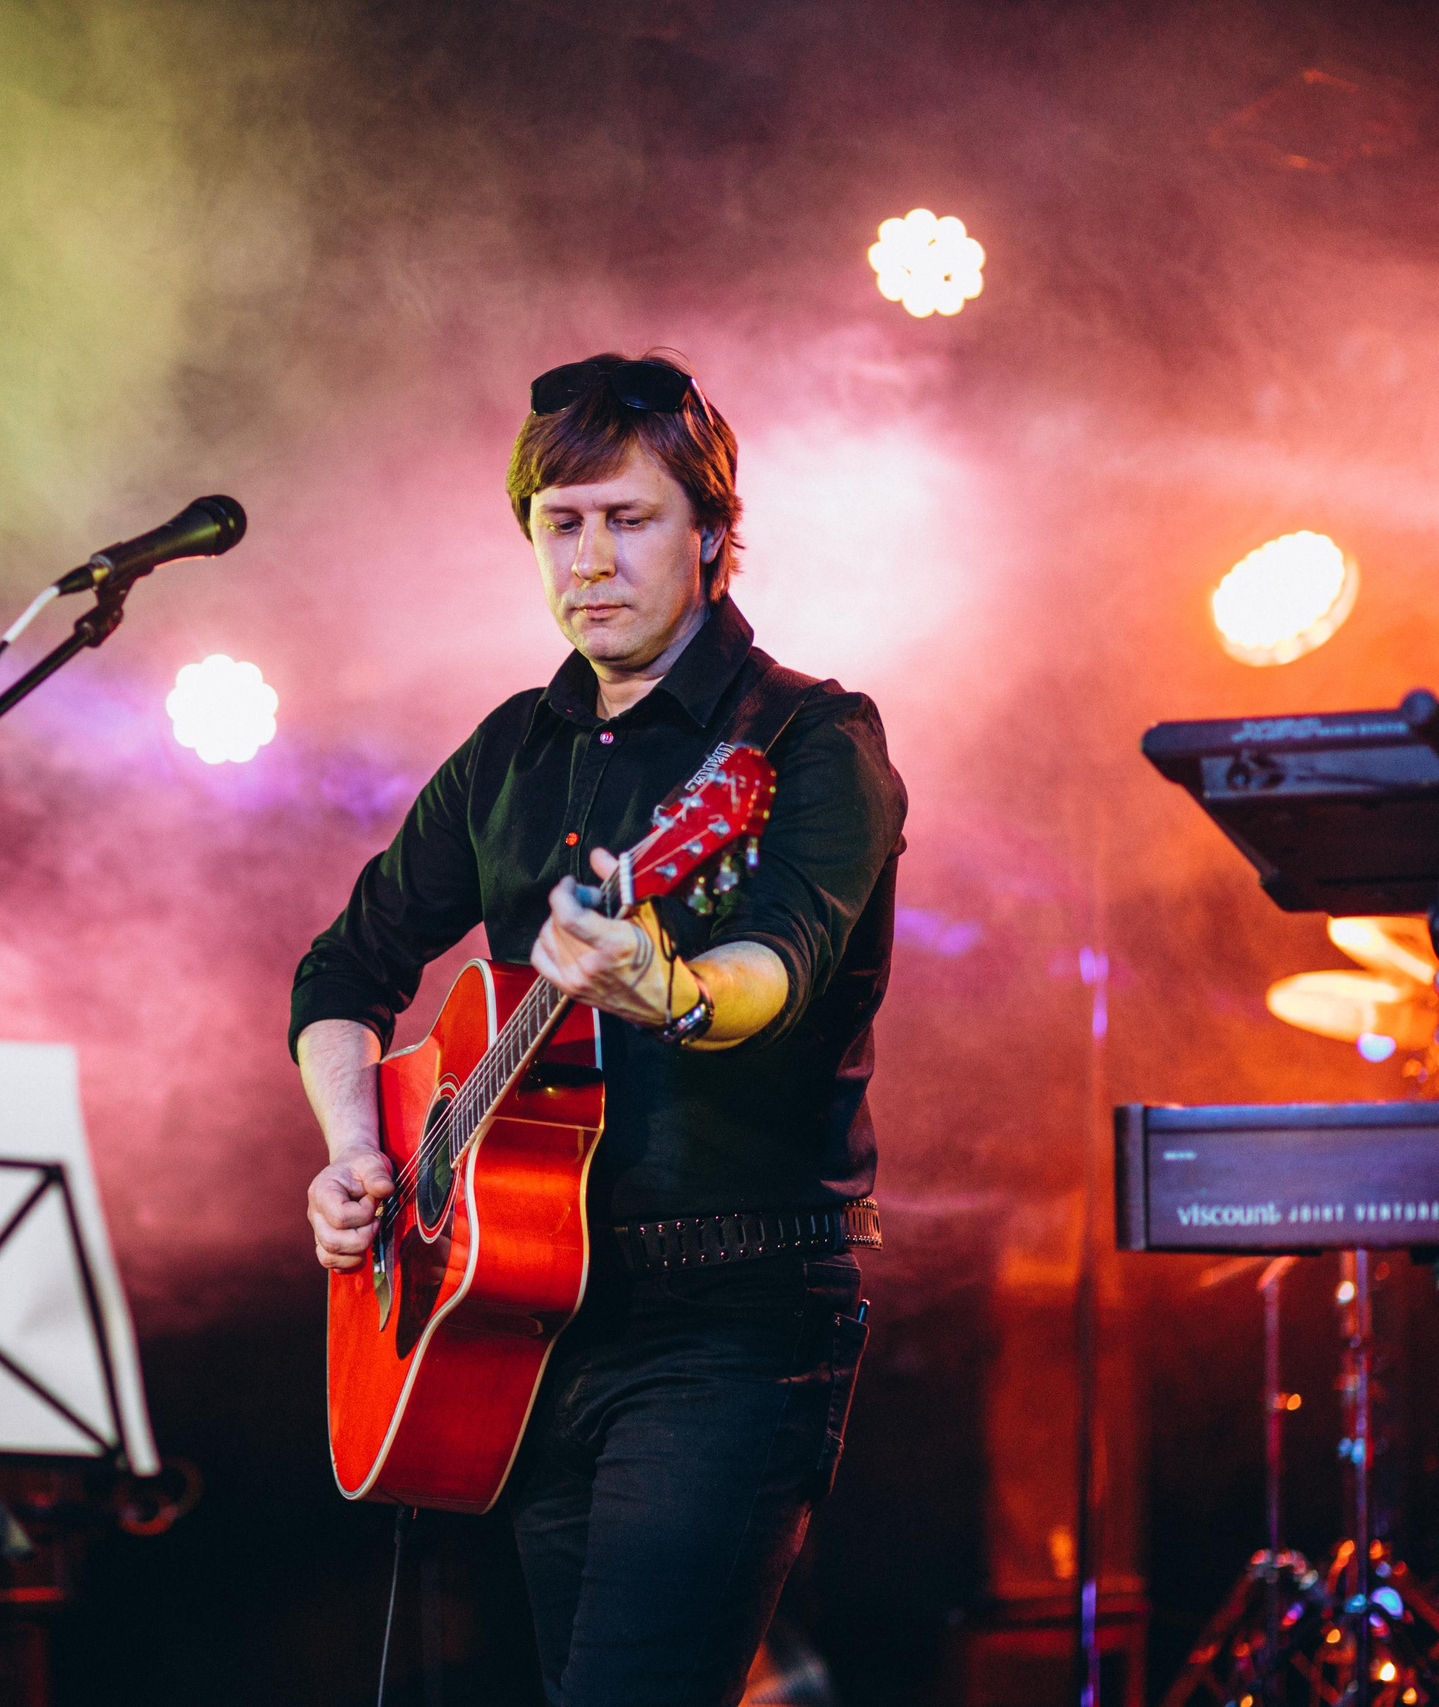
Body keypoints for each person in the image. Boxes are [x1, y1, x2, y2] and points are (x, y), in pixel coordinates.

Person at [292, 352, 906, 1706]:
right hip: (523, 1327)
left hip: (733, 1320)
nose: (591, 559)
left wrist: (670, 987)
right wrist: (360, 1157)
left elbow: (776, 965)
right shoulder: (513, 751)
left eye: (627, 520)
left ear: (713, 535)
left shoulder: (808, 741)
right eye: (559, 524)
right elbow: (341, 975)